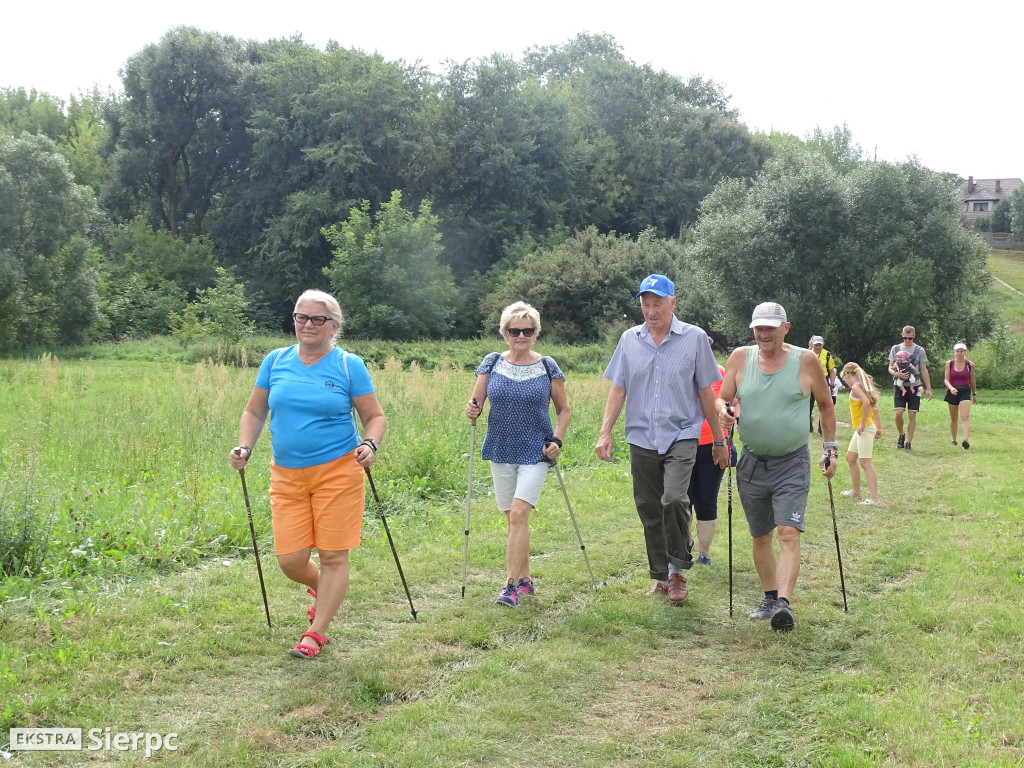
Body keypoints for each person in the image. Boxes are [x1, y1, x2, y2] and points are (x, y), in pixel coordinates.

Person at [229, 290, 386, 659]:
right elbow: (254, 412)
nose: (308, 325)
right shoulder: (276, 360)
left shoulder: (349, 365)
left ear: (334, 325)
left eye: (317, 319)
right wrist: (244, 447)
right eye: (301, 317)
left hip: (338, 471)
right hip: (286, 474)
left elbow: (375, 416)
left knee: (333, 555)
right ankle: (325, 589)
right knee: (291, 560)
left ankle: (315, 634)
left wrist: (370, 444)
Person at [595, 274, 727, 605]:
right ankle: (662, 575)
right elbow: (619, 388)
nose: (651, 311)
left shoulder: (694, 338)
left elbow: (705, 392)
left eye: (657, 304)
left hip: (682, 432)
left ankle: (679, 570)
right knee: (649, 507)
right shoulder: (629, 340)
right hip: (641, 436)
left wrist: (720, 440)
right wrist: (605, 431)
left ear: (673, 303)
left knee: (673, 499)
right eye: (645, 304)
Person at [717, 301, 837, 632]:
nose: (763, 333)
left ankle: (783, 603)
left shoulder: (806, 360)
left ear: (785, 328)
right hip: (752, 461)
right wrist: (723, 410)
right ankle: (769, 597)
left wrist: (831, 448)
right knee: (760, 535)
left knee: (788, 533)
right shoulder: (741, 358)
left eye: (770, 327)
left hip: (791, 460)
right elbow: (722, 397)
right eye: (758, 327)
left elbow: (826, 406)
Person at [465, 302, 570, 608]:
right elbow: (475, 403)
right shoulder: (492, 363)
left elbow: (564, 410)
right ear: (505, 332)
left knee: (520, 514)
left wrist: (557, 440)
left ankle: (509, 586)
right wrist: (472, 409)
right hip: (500, 447)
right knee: (513, 518)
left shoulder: (548, 366)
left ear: (536, 333)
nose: (521, 335)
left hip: (536, 450)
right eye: (515, 330)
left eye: (527, 330)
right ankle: (525, 579)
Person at [686, 337, 734, 566]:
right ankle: (686, 543)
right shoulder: (679, 371)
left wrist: (732, 415)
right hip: (682, 444)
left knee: (706, 500)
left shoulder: (721, 372)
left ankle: (704, 553)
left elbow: (733, 401)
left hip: (713, 445)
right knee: (681, 499)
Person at [838, 362, 883, 506]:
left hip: (864, 429)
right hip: (862, 429)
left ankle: (875, 499)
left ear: (847, 374)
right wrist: (878, 427)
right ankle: (856, 492)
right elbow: (872, 406)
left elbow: (866, 403)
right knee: (850, 458)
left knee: (865, 463)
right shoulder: (862, 386)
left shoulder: (856, 387)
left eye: (843, 376)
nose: (844, 379)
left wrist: (863, 423)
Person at [888, 326, 932, 450]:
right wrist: (896, 374)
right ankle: (901, 434)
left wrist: (928, 388)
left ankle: (909, 442)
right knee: (899, 412)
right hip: (899, 385)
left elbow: (923, 369)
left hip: (915, 386)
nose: (907, 340)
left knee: (912, 414)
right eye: (904, 338)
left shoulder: (919, 350)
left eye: (909, 338)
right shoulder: (895, 348)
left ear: (914, 336)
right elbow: (890, 367)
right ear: (902, 335)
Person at [944, 342, 977, 449]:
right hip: (952, 391)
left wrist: (974, 394)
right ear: (954, 352)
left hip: (965, 391)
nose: (959, 353)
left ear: (965, 352)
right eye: (957, 351)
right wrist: (951, 388)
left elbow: (972, 380)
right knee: (954, 418)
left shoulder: (970, 365)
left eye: (961, 351)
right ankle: (954, 440)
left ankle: (966, 440)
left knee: (965, 416)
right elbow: (946, 380)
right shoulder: (950, 364)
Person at [808, 335, 837, 435]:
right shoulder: (807, 353)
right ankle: (808, 426)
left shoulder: (827, 355)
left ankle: (821, 429)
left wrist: (832, 385)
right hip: (809, 380)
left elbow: (832, 370)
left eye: (819, 345)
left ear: (823, 344)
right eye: (816, 345)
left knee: (823, 406)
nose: (817, 347)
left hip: (823, 381)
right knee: (807, 405)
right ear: (812, 344)